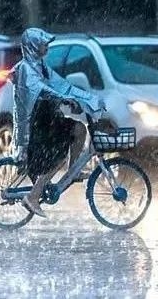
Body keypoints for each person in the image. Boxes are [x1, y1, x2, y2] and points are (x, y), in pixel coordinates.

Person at [12, 28, 104, 217]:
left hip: (49, 117)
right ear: (34, 46)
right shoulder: (25, 69)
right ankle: (33, 196)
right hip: (38, 123)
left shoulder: (42, 66)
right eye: (44, 44)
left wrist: (89, 99)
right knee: (57, 155)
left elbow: (63, 85)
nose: (47, 47)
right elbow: (42, 89)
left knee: (79, 128)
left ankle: (73, 171)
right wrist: (63, 98)